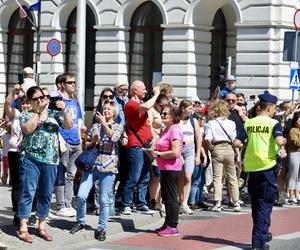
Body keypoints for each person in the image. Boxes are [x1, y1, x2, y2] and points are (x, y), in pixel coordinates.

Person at [17, 86, 72, 243]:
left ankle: (42, 226)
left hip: (51, 160)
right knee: (28, 192)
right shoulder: (26, 115)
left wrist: (64, 111)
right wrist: (38, 112)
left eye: (43, 97)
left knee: (46, 194)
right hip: (31, 159)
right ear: (30, 101)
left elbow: (68, 126)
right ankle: (23, 227)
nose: (42, 100)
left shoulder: (54, 114)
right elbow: (28, 129)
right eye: (37, 99)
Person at [234, 91, 287, 250]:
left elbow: (237, 143)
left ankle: (263, 233)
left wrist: (249, 146)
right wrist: (283, 141)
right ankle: (258, 243)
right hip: (267, 167)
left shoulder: (249, 123)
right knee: (266, 204)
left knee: (257, 204)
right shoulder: (273, 123)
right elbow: (279, 140)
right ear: (270, 108)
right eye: (275, 108)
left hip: (251, 167)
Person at [70, 100, 126, 241]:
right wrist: (93, 142)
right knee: (81, 195)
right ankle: (80, 221)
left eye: (109, 109)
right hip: (92, 166)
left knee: (103, 199)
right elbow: (87, 145)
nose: (106, 110)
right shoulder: (95, 126)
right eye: (104, 108)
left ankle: (101, 228)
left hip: (108, 167)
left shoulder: (119, 126)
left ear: (114, 112)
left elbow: (114, 138)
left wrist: (104, 124)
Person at [121, 80, 161, 215]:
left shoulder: (138, 103)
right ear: (135, 91)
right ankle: (126, 203)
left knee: (145, 176)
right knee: (134, 175)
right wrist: (157, 94)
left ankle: (141, 203)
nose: (145, 91)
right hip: (136, 145)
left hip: (146, 145)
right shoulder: (131, 104)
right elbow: (146, 107)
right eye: (143, 89)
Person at [150, 104, 183, 236]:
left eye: (165, 114)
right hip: (164, 167)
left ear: (173, 117)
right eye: (161, 113)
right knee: (166, 196)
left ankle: (173, 225)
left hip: (172, 168)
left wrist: (159, 154)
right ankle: (167, 223)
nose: (162, 115)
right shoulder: (166, 129)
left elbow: (175, 152)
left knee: (171, 197)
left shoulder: (174, 130)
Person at [204, 100, 241, 212]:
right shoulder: (231, 123)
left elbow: (208, 138)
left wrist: (211, 148)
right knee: (232, 177)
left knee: (217, 177)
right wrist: (237, 153)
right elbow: (234, 138)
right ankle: (236, 202)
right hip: (229, 148)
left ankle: (217, 203)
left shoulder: (211, 123)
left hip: (217, 148)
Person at [56, 73, 83, 217]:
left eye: (74, 82)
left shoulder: (75, 101)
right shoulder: (58, 101)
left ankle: (68, 203)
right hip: (64, 141)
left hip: (75, 142)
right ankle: (61, 205)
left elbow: (78, 122)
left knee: (71, 175)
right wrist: (61, 140)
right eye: (70, 82)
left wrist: (80, 141)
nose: (74, 84)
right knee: (62, 173)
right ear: (62, 85)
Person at [4, 84, 31, 226]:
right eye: (24, 103)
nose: (26, 105)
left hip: (29, 154)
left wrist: (28, 92)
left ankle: (27, 213)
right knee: (16, 185)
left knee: (28, 184)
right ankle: (18, 212)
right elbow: (7, 103)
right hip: (15, 152)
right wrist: (14, 92)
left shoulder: (34, 116)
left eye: (28, 103)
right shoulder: (16, 114)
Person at [178, 100, 202, 215]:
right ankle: (180, 201)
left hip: (190, 149)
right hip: (178, 149)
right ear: (183, 109)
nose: (192, 111)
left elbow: (198, 138)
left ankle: (185, 203)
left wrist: (198, 155)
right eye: (190, 108)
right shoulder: (176, 120)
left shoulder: (194, 121)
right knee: (179, 176)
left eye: (192, 108)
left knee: (188, 176)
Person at [286, 112, 300, 204]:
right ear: (295, 122)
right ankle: (291, 194)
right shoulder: (293, 130)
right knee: (293, 174)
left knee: (299, 176)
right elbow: (297, 143)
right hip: (294, 153)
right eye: (299, 121)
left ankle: (297, 193)